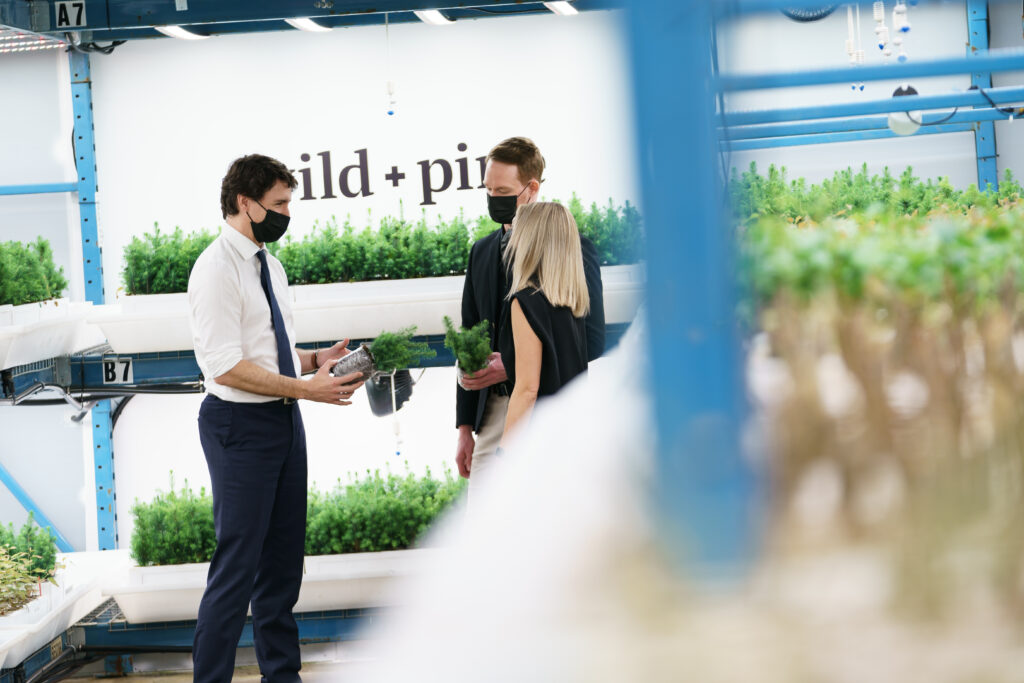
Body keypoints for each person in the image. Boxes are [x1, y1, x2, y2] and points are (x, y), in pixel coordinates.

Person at [187, 153, 365, 683]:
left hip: (283, 425)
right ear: (245, 203)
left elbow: (268, 350)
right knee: (236, 569)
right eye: (280, 204)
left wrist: (316, 362)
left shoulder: (270, 263)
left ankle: (281, 677)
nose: (287, 214)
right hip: (239, 429)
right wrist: (304, 389)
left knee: (283, 568)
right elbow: (223, 365)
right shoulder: (215, 269)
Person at [455, 137, 604, 494]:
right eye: (488, 189)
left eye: (502, 189)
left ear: (531, 188)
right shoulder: (481, 252)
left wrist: (520, 363)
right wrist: (463, 426)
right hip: (492, 412)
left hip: (550, 407)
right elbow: (468, 335)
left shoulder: (571, 249)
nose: (493, 198)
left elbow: (592, 339)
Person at [498, 202, 590, 442]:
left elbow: (527, 391)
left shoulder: (526, 302)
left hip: (541, 443)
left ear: (531, 241)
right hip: (576, 434)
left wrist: (504, 455)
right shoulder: (571, 300)